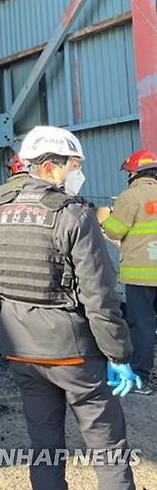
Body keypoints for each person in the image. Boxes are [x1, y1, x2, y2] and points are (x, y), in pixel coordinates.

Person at [0, 125, 141, 490]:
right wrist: (119, 353)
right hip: (74, 356)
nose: (78, 172)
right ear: (52, 167)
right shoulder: (75, 216)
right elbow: (99, 297)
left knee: (45, 448)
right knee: (109, 451)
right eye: (74, 164)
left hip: (21, 351)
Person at [101, 148, 157, 395]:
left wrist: (106, 217)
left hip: (141, 276)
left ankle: (141, 379)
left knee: (142, 325)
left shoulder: (130, 197)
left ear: (134, 172)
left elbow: (113, 232)